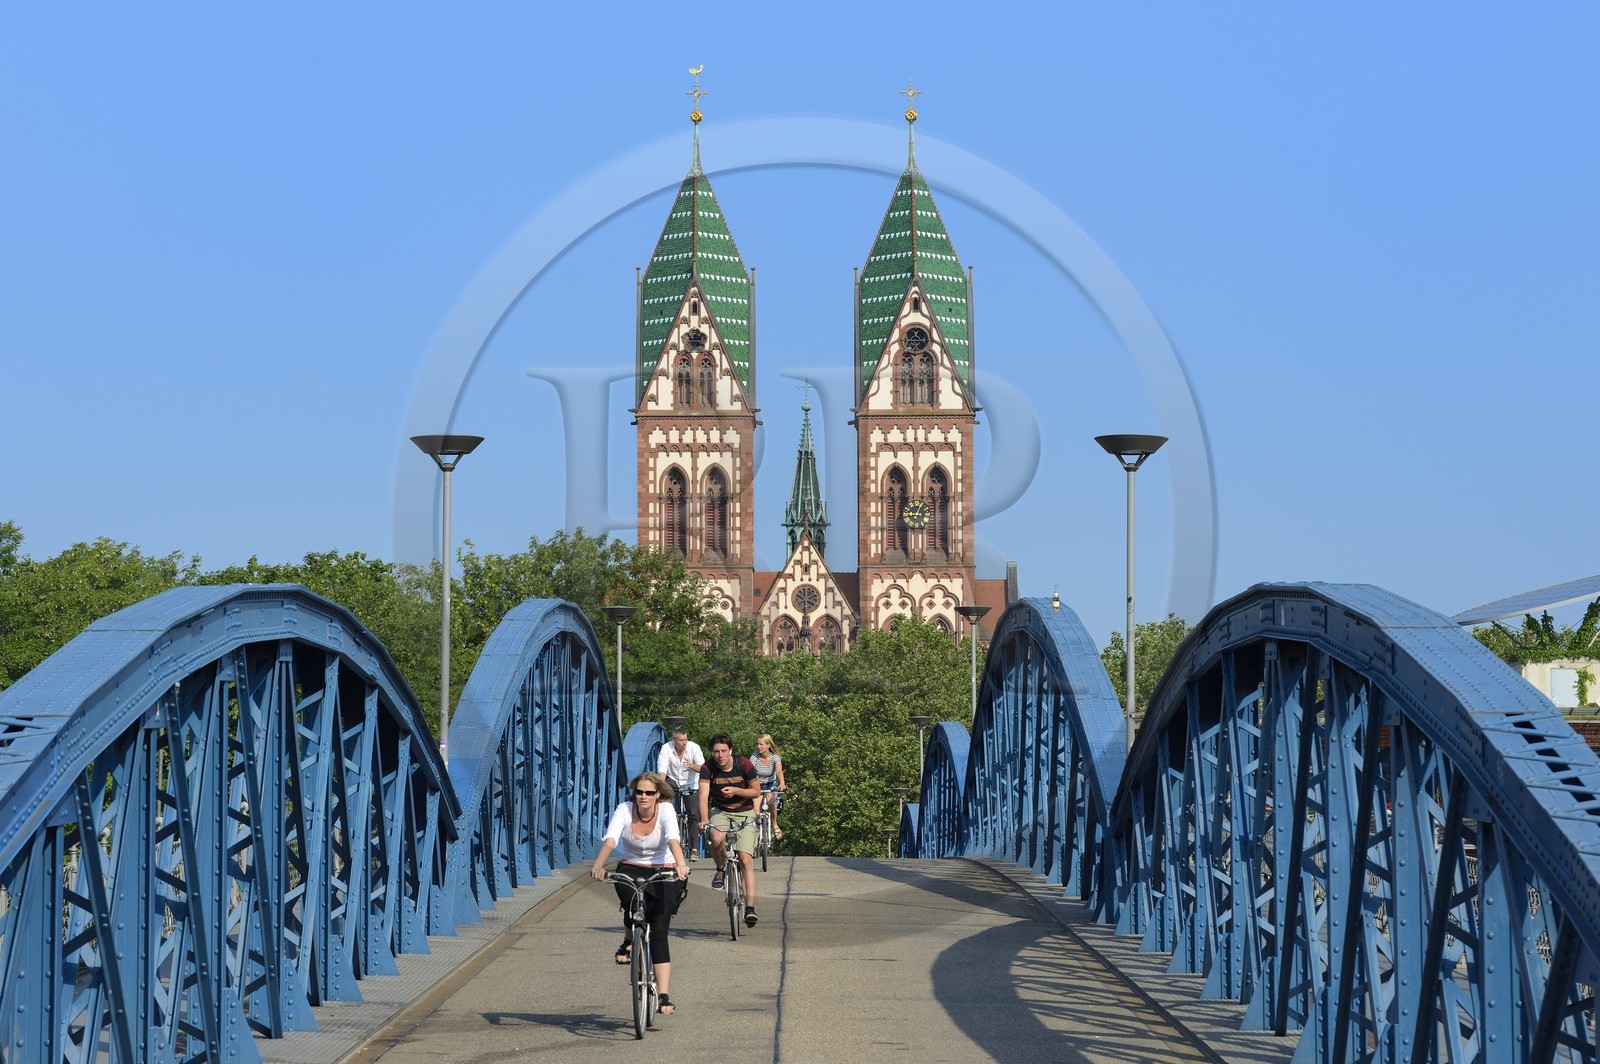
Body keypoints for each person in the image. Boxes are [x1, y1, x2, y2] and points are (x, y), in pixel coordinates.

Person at [589, 770, 690, 1014]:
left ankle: (664, 996)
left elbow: (672, 839)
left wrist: (680, 864)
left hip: (664, 868)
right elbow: (611, 840)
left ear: (658, 794)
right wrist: (599, 864)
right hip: (631, 866)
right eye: (639, 792)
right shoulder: (624, 809)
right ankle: (628, 940)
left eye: (649, 793)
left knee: (658, 930)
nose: (643, 797)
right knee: (632, 902)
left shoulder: (665, 810)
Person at [697, 732, 762, 928]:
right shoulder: (708, 768)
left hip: (745, 812)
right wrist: (705, 819)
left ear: (730, 751)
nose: (720, 755)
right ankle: (719, 870)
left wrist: (736, 791)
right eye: (716, 751)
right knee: (716, 837)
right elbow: (702, 796)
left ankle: (750, 909)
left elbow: (756, 791)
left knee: (745, 859)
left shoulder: (745, 765)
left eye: (723, 751)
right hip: (721, 811)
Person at [656, 726, 705, 860]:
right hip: (673, 781)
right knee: (663, 803)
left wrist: (692, 766)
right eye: (681, 740)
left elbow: (703, 768)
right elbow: (662, 770)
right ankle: (665, 838)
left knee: (694, 813)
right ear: (674, 741)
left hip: (691, 783)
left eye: (686, 739)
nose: (684, 742)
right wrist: (659, 789)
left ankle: (694, 848)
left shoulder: (694, 748)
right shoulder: (666, 748)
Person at [751, 734, 787, 841]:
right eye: (757, 744)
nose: (758, 746)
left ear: (768, 745)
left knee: (772, 802)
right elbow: (751, 770)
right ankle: (757, 828)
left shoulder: (775, 757)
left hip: (771, 784)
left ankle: (774, 824)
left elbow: (779, 771)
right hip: (757, 784)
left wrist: (782, 784)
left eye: (761, 744)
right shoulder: (754, 757)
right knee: (756, 810)